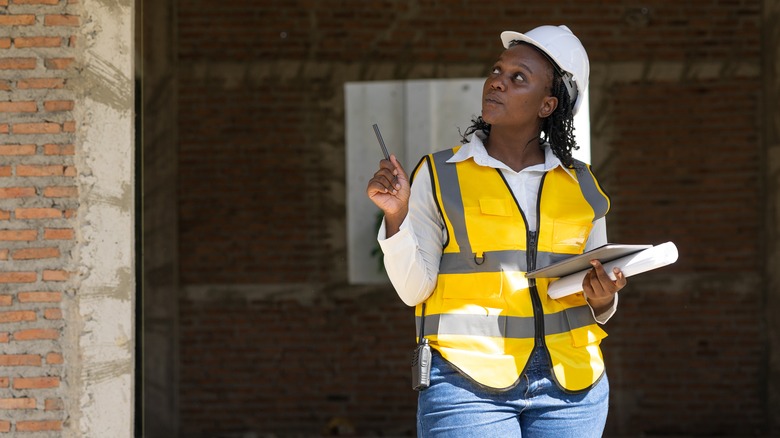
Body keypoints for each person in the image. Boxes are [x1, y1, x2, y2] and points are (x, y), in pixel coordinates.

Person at [366, 25, 627, 437]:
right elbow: (414, 290)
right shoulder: (438, 174)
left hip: (572, 386)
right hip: (466, 382)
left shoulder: (583, 185)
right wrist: (396, 216)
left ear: (547, 104)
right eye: (496, 70)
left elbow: (596, 283)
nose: (497, 82)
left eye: (517, 77)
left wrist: (603, 299)